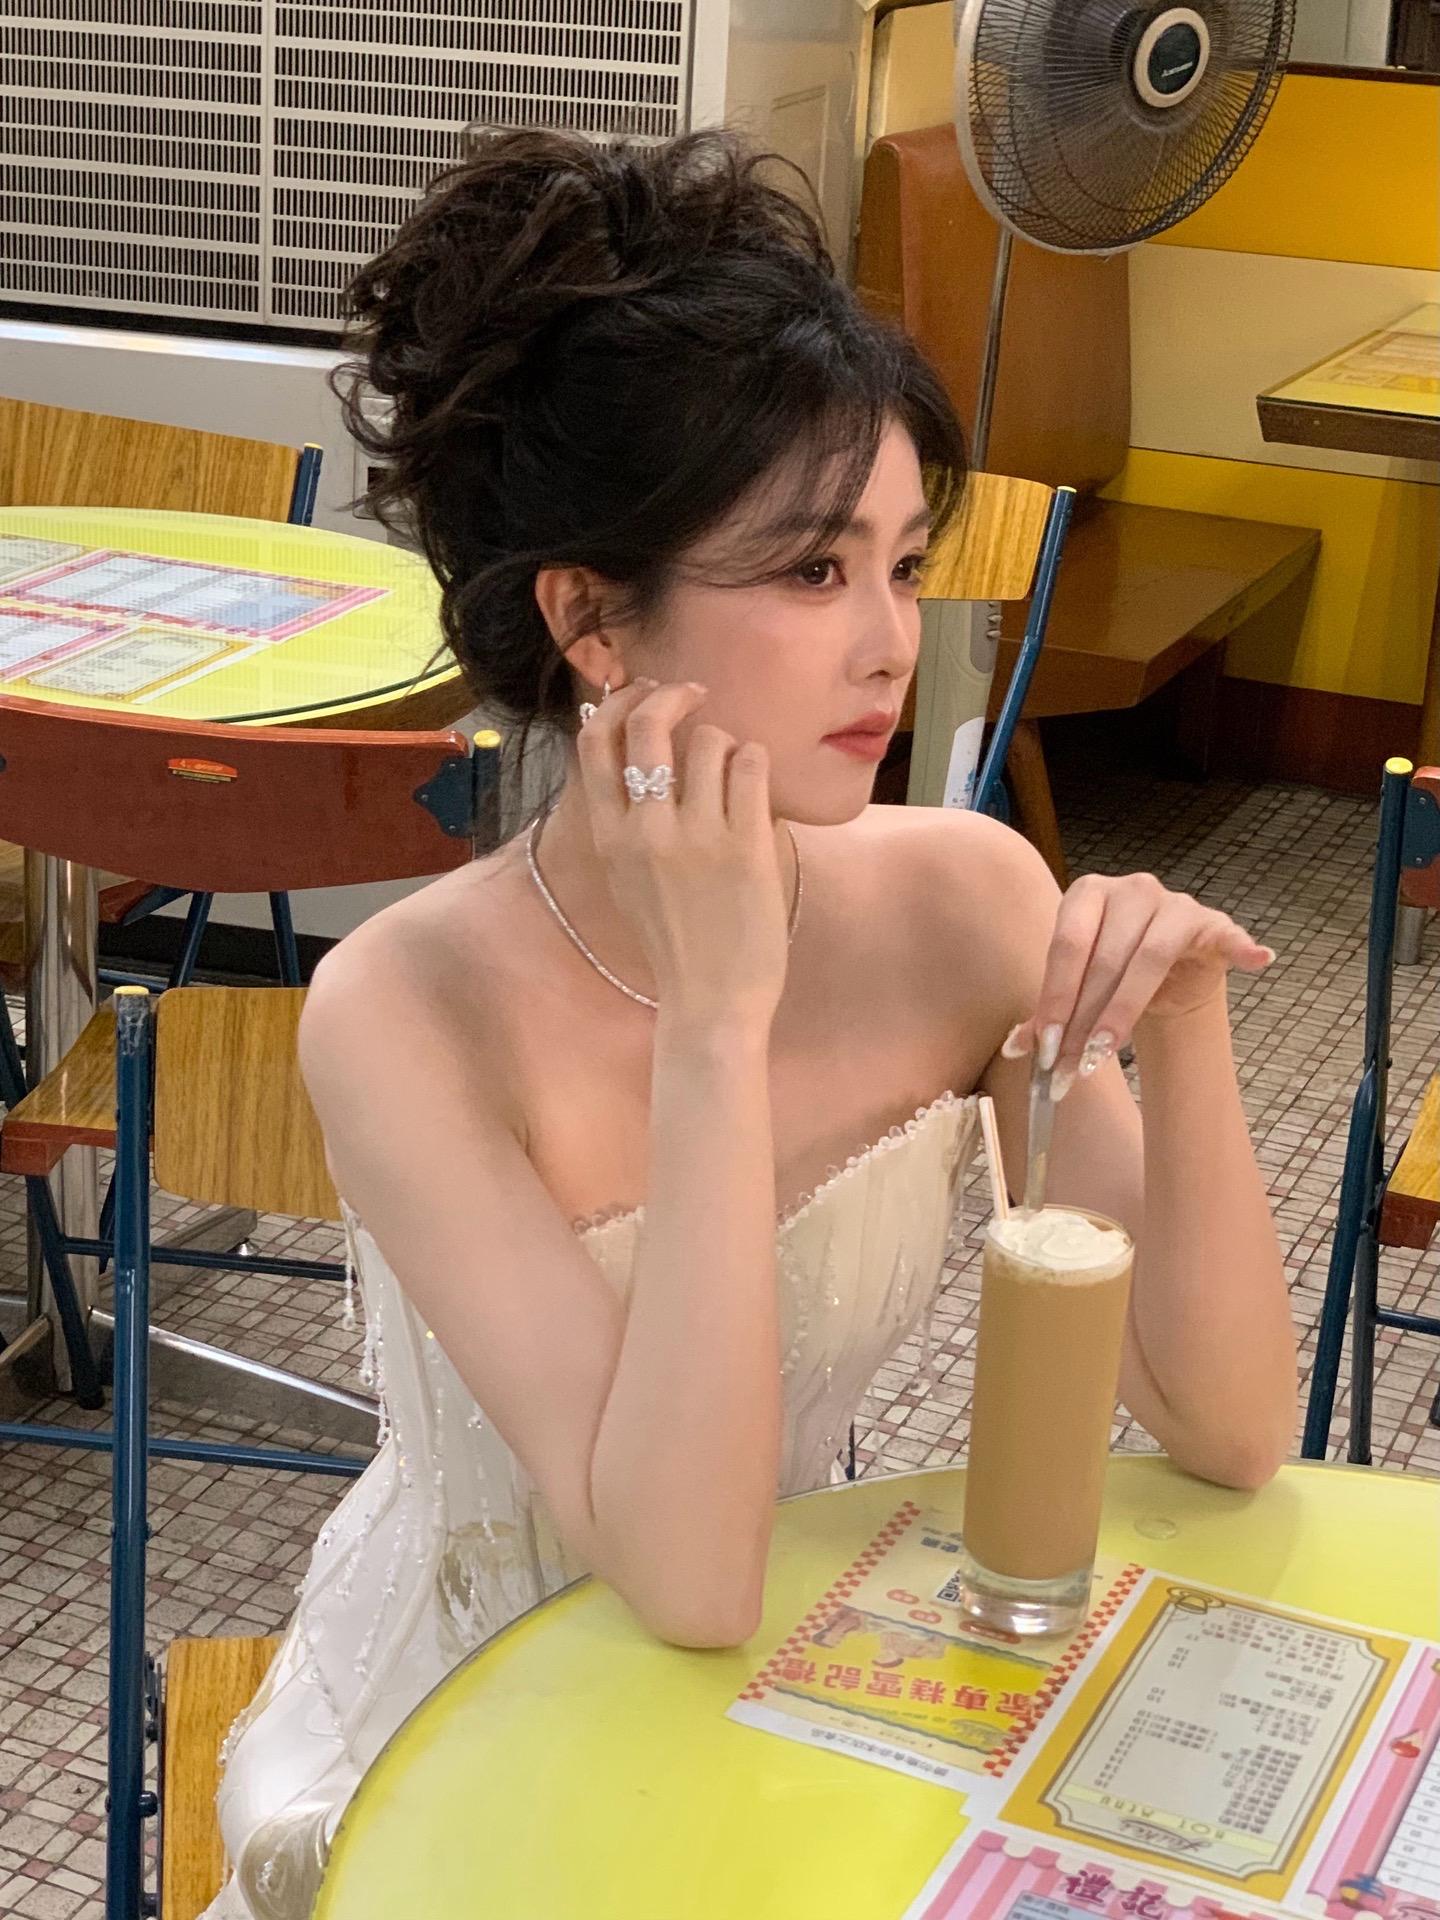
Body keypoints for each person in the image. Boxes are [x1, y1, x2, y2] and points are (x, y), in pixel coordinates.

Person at [202, 126, 1296, 1918]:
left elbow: (1227, 1428)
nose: (889, 646)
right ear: (592, 621)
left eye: (903, 565)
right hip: (467, 1723)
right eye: (810, 573)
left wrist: (1178, 1035)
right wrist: (717, 1023)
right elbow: (687, 1573)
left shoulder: (962, 899)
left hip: (788, 1682)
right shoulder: (401, 1005)